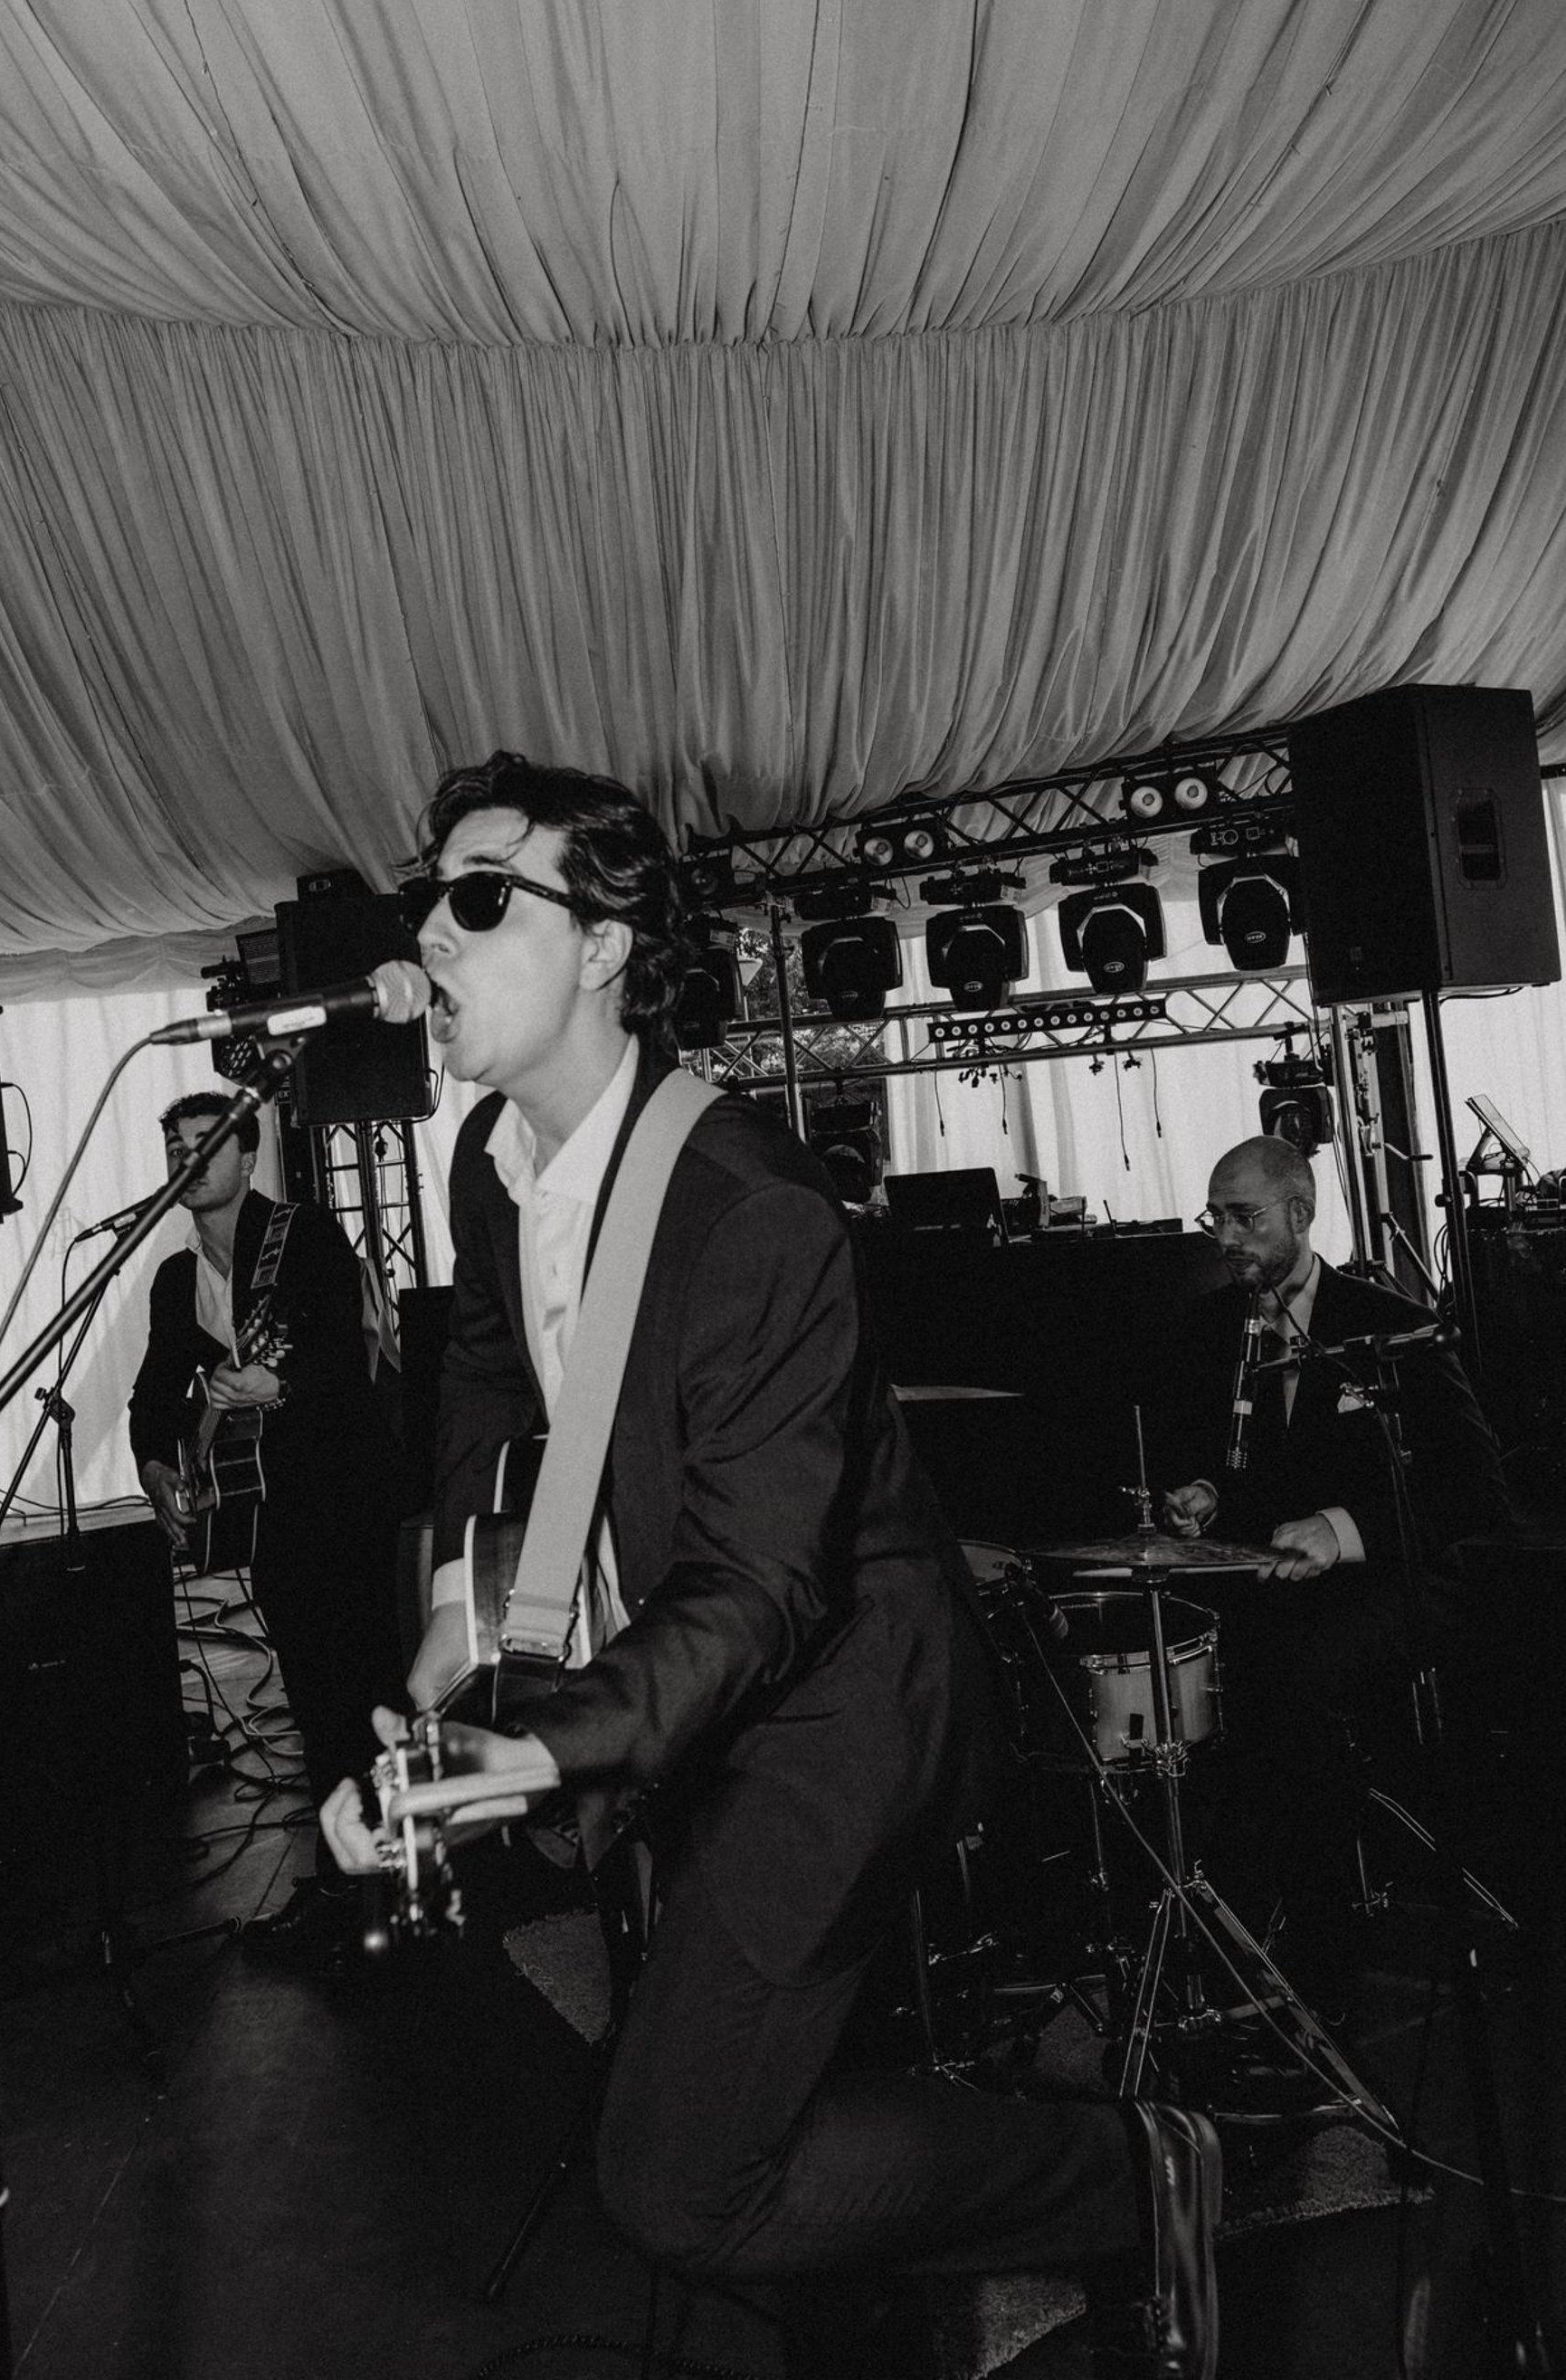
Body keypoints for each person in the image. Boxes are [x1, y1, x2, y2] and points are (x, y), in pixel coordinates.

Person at [320, 751, 1221, 2380]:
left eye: (480, 897)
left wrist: (548, 1743)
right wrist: (464, 1657)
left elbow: (762, 1588)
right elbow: (487, 1399)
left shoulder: (748, 1205)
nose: (432, 936)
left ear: (603, 945)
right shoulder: (486, 1161)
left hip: (841, 1697)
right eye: (426, 902)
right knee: (732, 2129)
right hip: (690, 1666)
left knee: (683, 2179)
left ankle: (1131, 2172)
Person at [1151, 1132, 1509, 2020]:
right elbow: (1222, 1468)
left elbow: (1477, 1491)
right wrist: (1202, 1496)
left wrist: (1342, 1529)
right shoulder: (1204, 1331)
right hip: (1263, 1582)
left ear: (1301, 1213)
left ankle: (1322, 1959)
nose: (1224, 1237)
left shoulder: (1390, 1324)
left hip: (1386, 1580)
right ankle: (1214, 1934)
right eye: (1214, 1218)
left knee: (1284, 1678)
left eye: (1244, 1217)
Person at [129, 1090, 410, 1975]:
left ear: (248, 1158)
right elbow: (153, 1393)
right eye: (176, 1146)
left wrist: (277, 1387)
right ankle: (342, 1886)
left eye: (206, 1143)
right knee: (314, 1701)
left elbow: (348, 1356)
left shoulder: (305, 1236)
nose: (188, 1159)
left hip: (346, 1498)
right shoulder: (176, 1281)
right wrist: (157, 1466)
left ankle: (395, 1888)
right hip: (272, 1517)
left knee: (366, 1690)